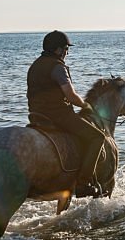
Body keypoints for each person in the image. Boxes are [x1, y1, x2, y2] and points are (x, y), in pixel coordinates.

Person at [27, 30, 104, 195]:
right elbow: (70, 95)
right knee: (98, 137)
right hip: (58, 115)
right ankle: (83, 183)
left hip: (36, 115)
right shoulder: (57, 67)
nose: (67, 52)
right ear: (58, 50)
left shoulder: (35, 65)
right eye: (66, 49)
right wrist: (86, 106)